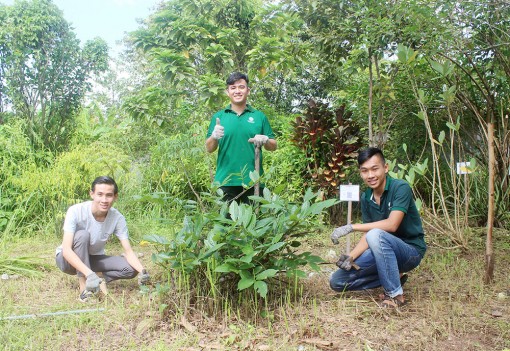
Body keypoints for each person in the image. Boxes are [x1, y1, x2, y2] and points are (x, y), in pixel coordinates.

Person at [329, 147, 426, 308]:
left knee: (376, 234)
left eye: (375, 169)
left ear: (385, 168)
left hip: (410, 252)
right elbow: (368, 234)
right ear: (360, 173)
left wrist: (352, 227)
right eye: (365, 171)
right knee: (337, 281)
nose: (370, 175)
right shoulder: (366, 197)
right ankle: (395, 276)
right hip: (382, 252)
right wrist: (350, 257)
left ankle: (395, 294)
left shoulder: (400, 187)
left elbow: (392, 225)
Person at [55, 176, 150, 302]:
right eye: (100, 194)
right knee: (82, 235)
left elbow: (128, 251)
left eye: (109, 195)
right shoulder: (76, 211)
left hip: (92, 258)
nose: (104, 200)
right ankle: (84, 287)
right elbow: (66, 250)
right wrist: (89, 274)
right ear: (92, 194)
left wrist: (143, 271)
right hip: (67, 260)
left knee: (131, 269)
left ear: (115, 196)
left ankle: (97, 278)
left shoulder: (117, 218)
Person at [206, 72, 277, 204]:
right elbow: (209, 148)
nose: (237, 91)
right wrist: (214, 137)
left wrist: (266, 139)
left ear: (248, 90)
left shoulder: (259, 116)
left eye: (241, 87)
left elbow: (273, 146)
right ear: (227, 92)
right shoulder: (219, 117)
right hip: (225, 181)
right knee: (225, 223)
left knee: (254, 223)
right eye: (233, 88)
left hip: (253, 180)